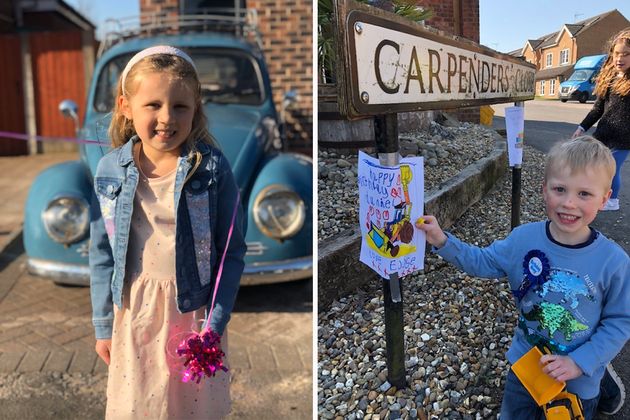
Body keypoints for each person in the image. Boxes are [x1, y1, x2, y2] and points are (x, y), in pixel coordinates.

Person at [416, 137, 630, 419]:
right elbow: (483, 262)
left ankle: (602, 376)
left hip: (578, 380)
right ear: (544, 190)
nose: (568, 203)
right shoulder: (523, 239)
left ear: (604, 199)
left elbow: (620, 321)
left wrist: (582, 361)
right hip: (527, 366)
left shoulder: (614, 262)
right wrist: (442, 240)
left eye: (584, 194)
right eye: (560, 189)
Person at [89, 45, 246, 419]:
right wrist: (102, 325)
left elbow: (231, 252)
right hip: (135, 311)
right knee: (139, 406)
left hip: (193, 315)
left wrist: (215, 323)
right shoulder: (111, 169)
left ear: (196, 109)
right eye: (153, 105)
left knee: (193, 408)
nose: (166, 118)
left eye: (179, 106)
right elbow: (101, 253)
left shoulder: (211, 168)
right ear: (125, 106)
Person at [572, 28, 630, 212]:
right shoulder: (610, 78)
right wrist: (582, 127)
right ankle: (598, 194)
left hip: (623, 138)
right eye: (617, 54)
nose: (620, 58)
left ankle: (612, 200)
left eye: (626, 54)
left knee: (610, 169)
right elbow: (597, 109)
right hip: (604, 133)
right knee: (594, 164)